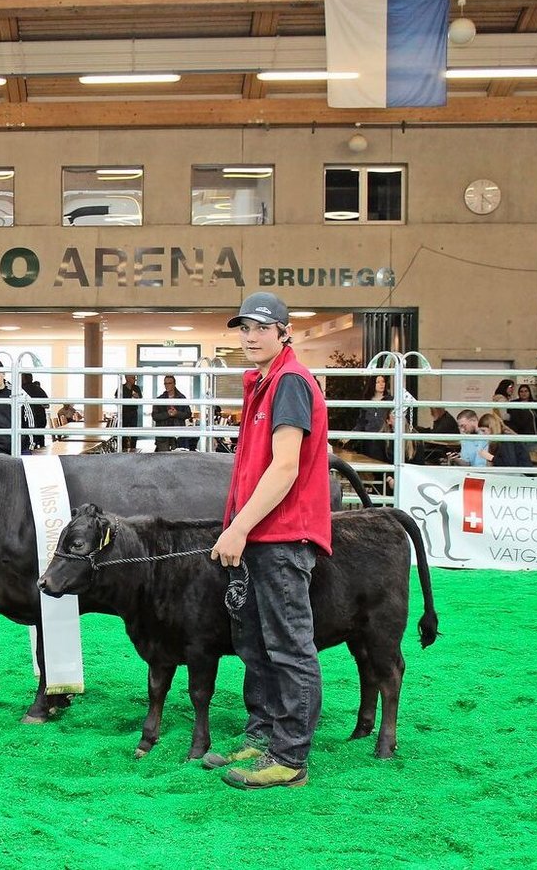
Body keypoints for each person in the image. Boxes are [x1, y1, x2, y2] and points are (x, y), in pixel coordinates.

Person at [205, 291, 331, 791]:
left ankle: (291, 758)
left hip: (281, 536)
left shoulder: (291, 382)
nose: (250, 336)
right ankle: (263, 735)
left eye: (261, 327)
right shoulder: (264, 381)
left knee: (288, 646)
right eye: (244, 328)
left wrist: (238, 527)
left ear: (285, 333)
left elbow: (284, 468)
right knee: (256, 643)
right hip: (262, 535)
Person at [350, 375, 392, 462]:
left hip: (385, 439)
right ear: (373, 384)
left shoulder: (390, 401)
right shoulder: (366, 401)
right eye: (378, 382)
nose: (381, 384)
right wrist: (351, 435)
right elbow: (361, 422)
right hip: (369, 440)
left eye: (383, 381)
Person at [151, 375, 193, 451]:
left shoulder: (182, 398)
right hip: (163, 434)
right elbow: (155, 416)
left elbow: (188, 414)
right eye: (165, 383)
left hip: (178, 434)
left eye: (169, 383)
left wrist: (176, 413)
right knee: (163, 458)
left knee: (177, 458)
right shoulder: (159, 399)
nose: (167, 385)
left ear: (174, 384)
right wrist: (167, 414)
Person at [20, 372, 50, 449]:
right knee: (41, 439)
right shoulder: (39, 389)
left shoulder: (21, 390)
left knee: (29, 441)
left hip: (27, 421)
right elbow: (47, 405)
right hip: (41, 419)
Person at [114, 374, 143, 452]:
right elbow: (116, 400)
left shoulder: (136, 388)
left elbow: (141, 399)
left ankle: (133, 449)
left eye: (135, 377)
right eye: (133, 377)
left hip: (133, 413)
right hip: (124, 414)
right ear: (127, 378)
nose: (135, 379)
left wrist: (138, 397)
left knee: (134, 433)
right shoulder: (121, 388)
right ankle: (122, 450)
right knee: (123, 433)